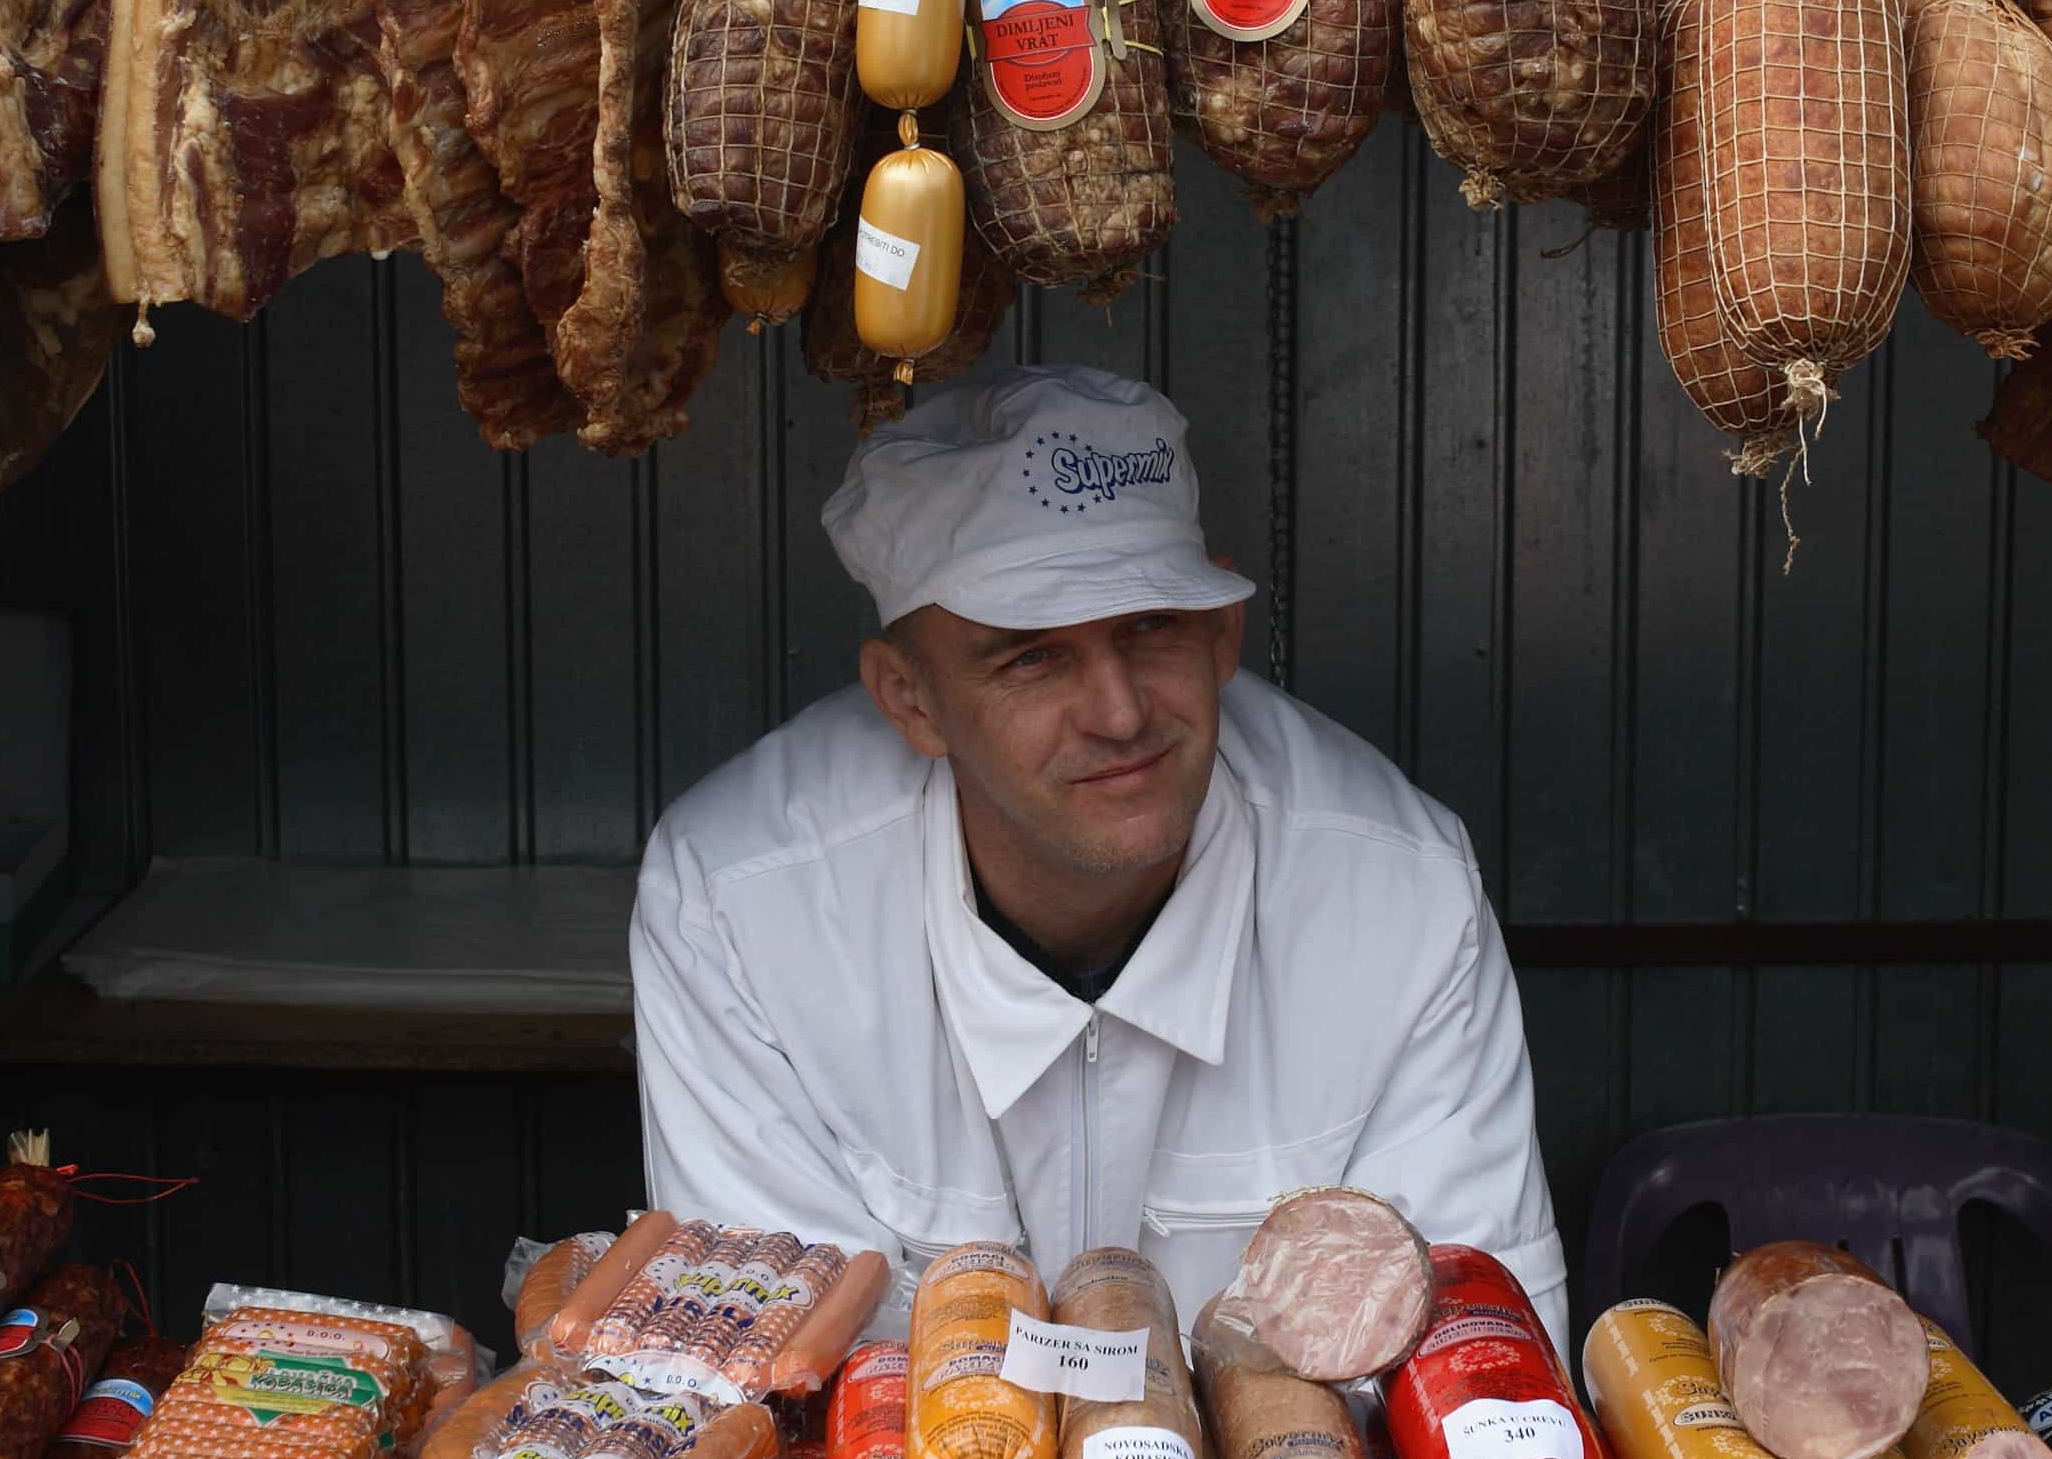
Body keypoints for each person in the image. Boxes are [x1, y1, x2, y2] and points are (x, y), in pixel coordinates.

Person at [632, 365, 1568, 1340]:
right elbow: (774, 1379)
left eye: (1152, 627)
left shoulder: (1396, 891)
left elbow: (1480, 1362)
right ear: (910, 698)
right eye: (1032, 653)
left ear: (1221, 638)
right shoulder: (744, 904)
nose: (1120, 712)